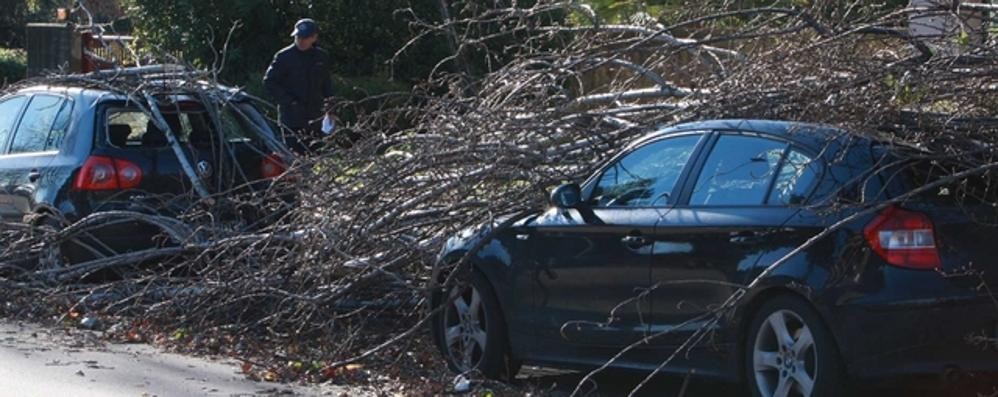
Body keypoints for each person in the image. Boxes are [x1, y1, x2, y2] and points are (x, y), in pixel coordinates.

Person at [263, 18, 334, 154]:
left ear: (314, 37)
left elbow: (326, 84)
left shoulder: (321, 57)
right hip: (291, 118)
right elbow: (269, 82)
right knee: (294, 157)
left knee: (315, 155)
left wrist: (331, 108)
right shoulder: (284, 57)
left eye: (305, 37)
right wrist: (289, 102)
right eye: (298, 36)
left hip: (315, 117)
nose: (301, 40)